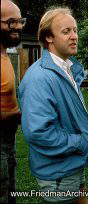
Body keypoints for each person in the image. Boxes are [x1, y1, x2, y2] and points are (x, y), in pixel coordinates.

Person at [18, 7, 88, 203]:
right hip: (58, 172)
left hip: (73, 163)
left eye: (75, 30)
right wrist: (81, 143)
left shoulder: (66, 69)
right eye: (66, 31)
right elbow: (38, 132)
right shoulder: (40, 77)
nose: (74, 36)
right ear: (49, 37)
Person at [0, 1, 25, 203]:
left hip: (9, 140)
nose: (18, 26)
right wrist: (20, 115)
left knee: (10, 194)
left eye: (19, 21)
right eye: (10, 22)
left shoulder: (6, 55)